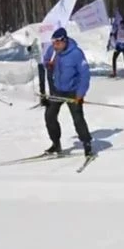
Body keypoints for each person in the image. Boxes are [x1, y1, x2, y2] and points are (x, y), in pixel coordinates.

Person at [42, 28, 93, 157]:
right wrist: (48, 64)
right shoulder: (53, 51)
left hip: (73, 91)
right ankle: (56, 144)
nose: (55, 46)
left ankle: (87, 143)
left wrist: (80, 94)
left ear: (64, 41)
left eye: (58, 43)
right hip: (57, 90)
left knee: (78, 118)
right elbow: (45, 60)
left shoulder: (76, 53)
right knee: (49, 116)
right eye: (53, 43)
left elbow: (85, 75)